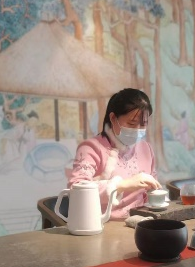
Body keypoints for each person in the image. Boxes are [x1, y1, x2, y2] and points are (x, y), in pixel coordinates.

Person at [67, 88, 161, 220]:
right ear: (113, 118)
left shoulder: (145, 148)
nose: (138, 130)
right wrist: (121, 185)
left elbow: (151, 190)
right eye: (132, 123)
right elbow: (76, 190)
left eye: (143, 124)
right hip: (103, 224)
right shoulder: (91, 148)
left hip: (141, 223)